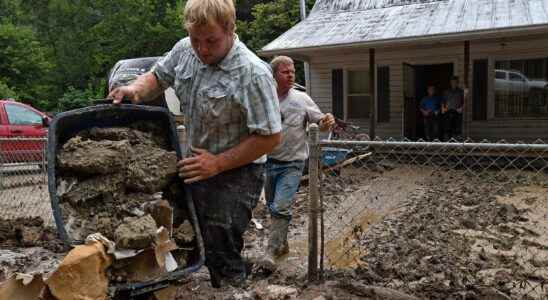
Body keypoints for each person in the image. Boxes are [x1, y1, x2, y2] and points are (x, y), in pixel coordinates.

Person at [108, 0, 282, 288]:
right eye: (196, 40)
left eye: (211, 41)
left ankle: (232, 284)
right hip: (196, 162)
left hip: (237, 171)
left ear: (230, 30)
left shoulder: (253, 73)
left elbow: (271, 137)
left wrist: (218, 163)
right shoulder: (184, 51)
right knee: (182, 230)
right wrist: (135, 89)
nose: (202, 49)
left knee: (219, 240)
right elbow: (157, 76)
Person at [263, 56, 335, 267]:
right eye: (286, 72)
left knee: (281, 206)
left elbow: (320, 123)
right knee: (272, 207)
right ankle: (282, 244)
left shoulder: (302, 99)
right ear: (274, 75)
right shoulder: (265, 98)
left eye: (293, 71)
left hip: (292, 163)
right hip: (268, 162)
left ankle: (271, 252)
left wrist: (326, 121)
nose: (291, 75)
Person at [442, 76, 464, 140]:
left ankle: (457, 147)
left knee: (457, 129)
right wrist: (443, 108)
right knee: (447, 129)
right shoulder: (446, 91)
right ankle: (447, 146)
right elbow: (443, 101)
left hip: (457, 112)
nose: (453, 83)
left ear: (457, 83)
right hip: (448, 112)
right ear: (450, 82)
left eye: (455, 82)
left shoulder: (461, 91)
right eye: (452, 82)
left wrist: (461, 108)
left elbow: (464, 102)